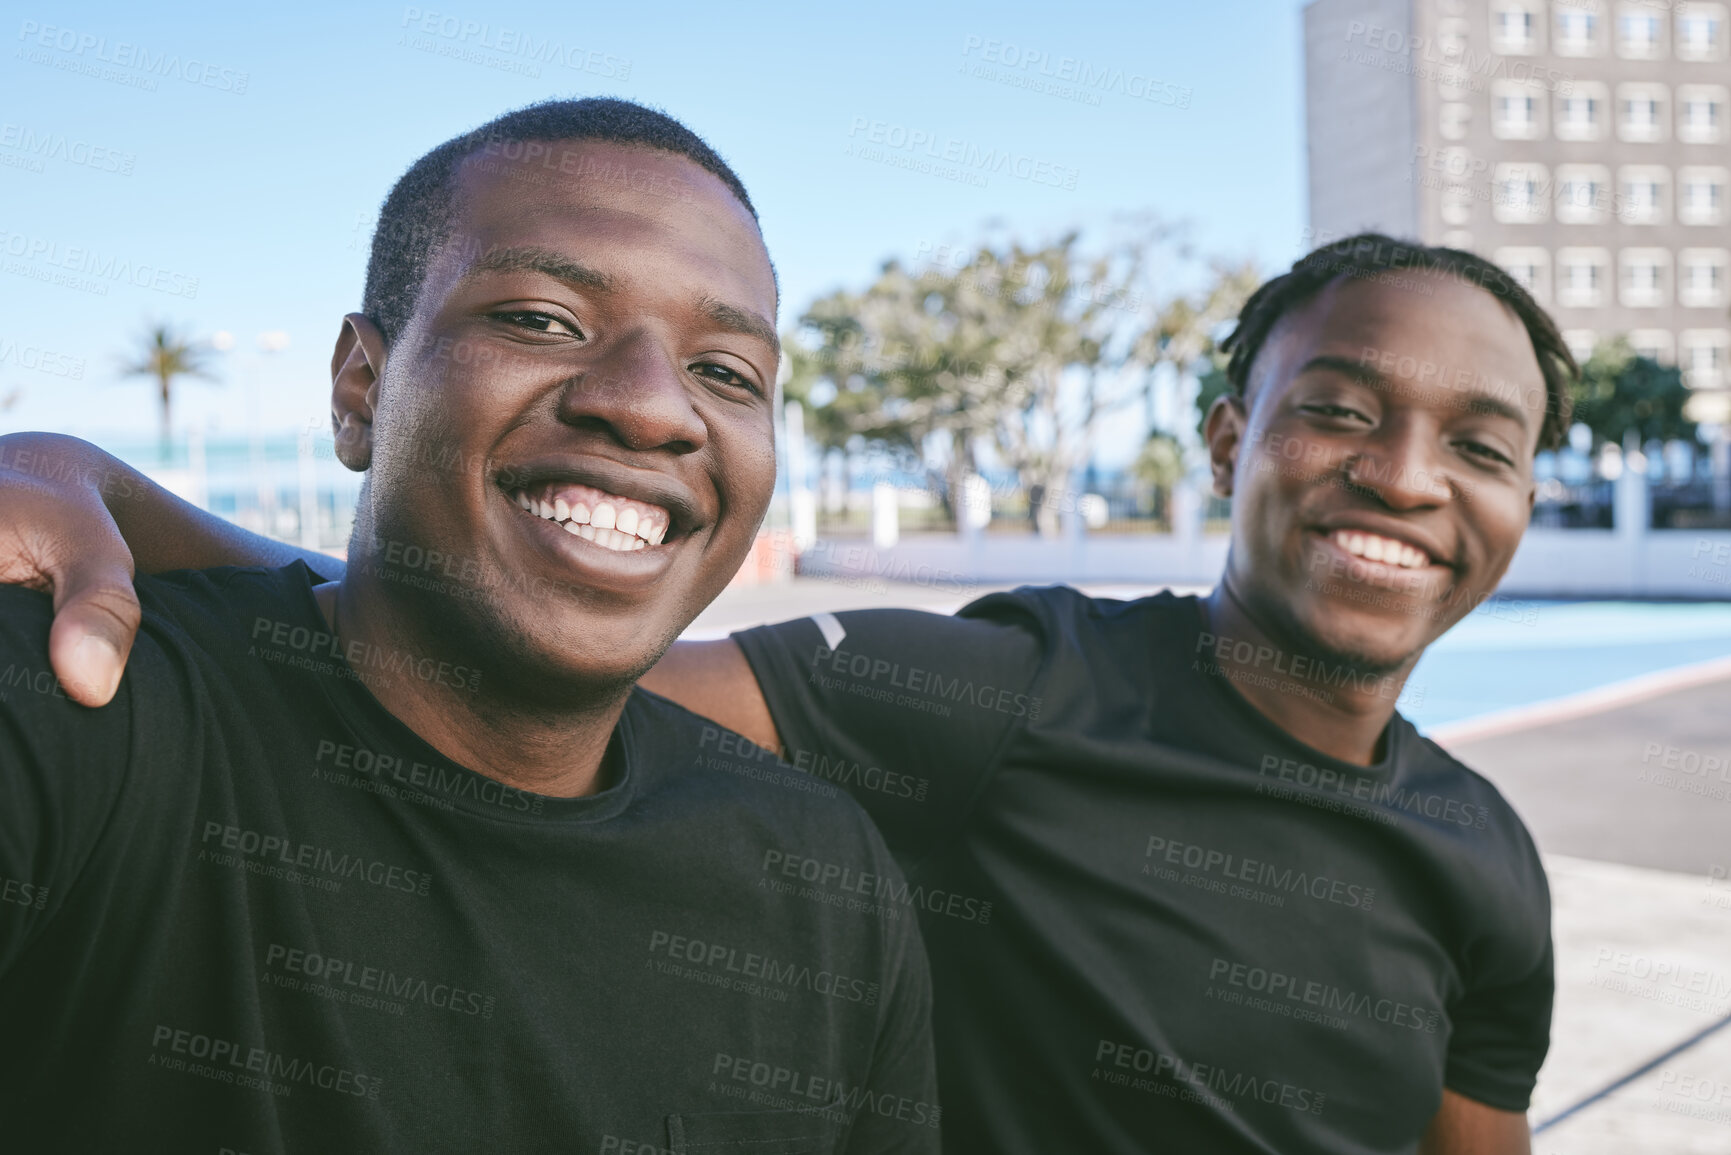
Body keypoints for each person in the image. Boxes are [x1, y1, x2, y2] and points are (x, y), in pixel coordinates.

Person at [0, 233, 1568, 1153]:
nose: (1403, 476)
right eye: (1336, 411)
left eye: (1479, 446)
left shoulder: (1482, 848)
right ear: (1228, 445)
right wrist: (94, 484)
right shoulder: (1007, 689)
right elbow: (503, 638)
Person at [0, 98, 940, 1154]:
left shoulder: (820, 877)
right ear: (362, 391)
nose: (650, 408)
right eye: (540, 319)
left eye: (726, 373)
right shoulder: (85, 709)